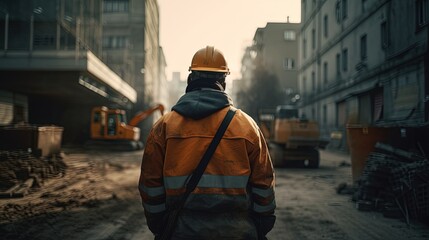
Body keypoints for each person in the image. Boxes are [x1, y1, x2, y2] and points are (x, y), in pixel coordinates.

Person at [138, 46, 276, 240]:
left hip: (180, 232)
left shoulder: (164, 127)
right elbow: (264, 184)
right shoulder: (247, 126)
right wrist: (259, 225)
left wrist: (161, 225)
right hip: (237, 233)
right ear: (223, 82)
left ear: (189, 80)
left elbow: (149, 185)